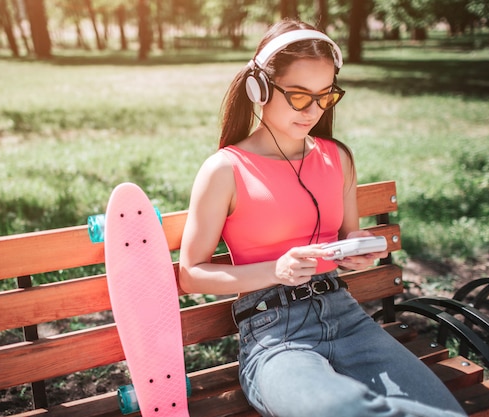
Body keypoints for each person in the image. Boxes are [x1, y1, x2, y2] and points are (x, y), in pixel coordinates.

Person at [178, 19, 467, 417]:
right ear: (258, 88)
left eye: (325, 96)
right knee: (344, 410)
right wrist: (276, 270)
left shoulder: (338, 158)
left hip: (348, 318)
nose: (313, 110)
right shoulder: (225, 169)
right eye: (298, 96)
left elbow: (349, 235)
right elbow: (191, 273)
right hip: (275, 337)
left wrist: (359, 253)